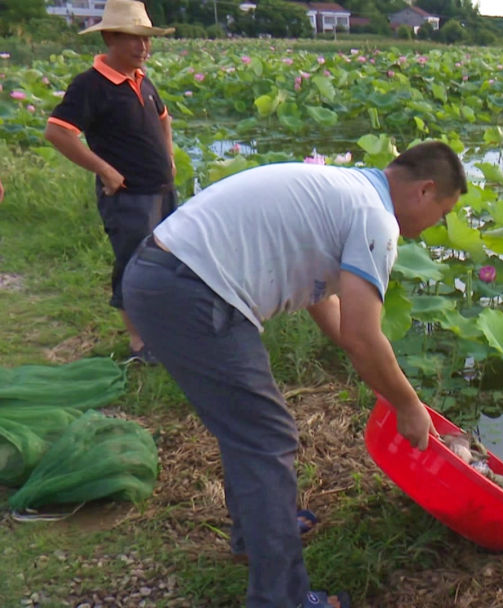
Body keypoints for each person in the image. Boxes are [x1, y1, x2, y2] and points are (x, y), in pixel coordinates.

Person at [121, 141, 467, 608]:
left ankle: (260, 534)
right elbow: (365, 337)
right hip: (192, 290)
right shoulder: (376, 218)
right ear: (425, 191)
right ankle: (281, 598)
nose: (434, 228)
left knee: (246, 426)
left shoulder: (348, 190)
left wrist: (381, 380)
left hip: (162, 276)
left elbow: (335, 316)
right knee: (267, 437)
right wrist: (407, 406)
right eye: (442, 213)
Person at [44, 0, 177, 364]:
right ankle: (138, 342)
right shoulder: (90, 85)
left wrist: (168, 156)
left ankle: (162, 330)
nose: (143, 48)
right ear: (109, 38)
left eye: (147, 40)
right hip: (128, 195)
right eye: (134, 39)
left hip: (162, 190)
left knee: (165, 262)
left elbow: (163, 118)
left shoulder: (142, 79)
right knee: (133, 264)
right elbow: (58, 133)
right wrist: (104, 170)